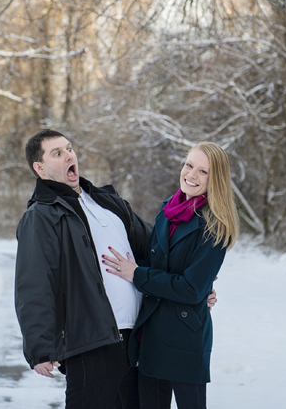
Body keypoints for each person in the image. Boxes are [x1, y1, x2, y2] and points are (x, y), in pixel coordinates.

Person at [14, 130, 217, 409]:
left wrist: (197, 283)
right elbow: (33, 284)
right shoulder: (41, 216)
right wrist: (39, 346)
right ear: (40, 168)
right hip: (90, 342)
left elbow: (157, 251)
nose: (69, 155)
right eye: (57, 153)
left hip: (137, 341)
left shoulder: (107, 202)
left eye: (69, 148)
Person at [102, 142, 238, 409]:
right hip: (152, 331)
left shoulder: (215, 225)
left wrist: (138, 275)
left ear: (216, 179)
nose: (191, 175)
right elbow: (159, 264)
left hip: (185, 337)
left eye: (203, 171)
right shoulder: (167, 212)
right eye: (189, 165)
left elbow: (191, 289)